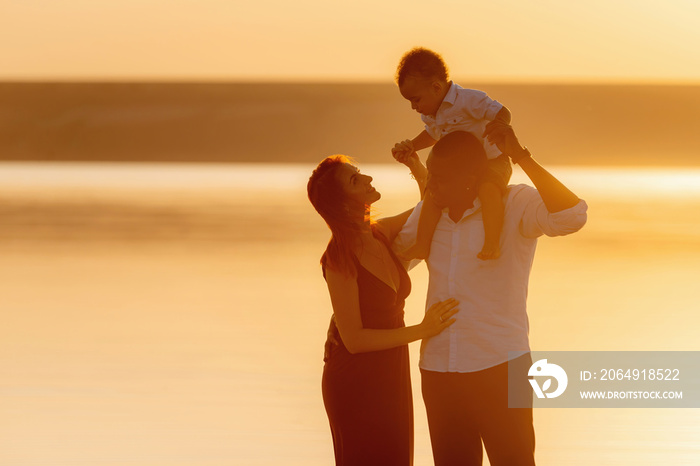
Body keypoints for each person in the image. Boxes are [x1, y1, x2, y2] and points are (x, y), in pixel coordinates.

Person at [393, 126, 588, 466]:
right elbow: (388, 263)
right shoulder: (429, 211)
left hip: (500, 365)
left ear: (471, 177)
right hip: (438, 370)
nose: (430, 186)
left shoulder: (515, 204)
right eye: (430, 177)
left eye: (439, 179)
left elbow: (572, 217)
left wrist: (521, 156)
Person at [307, 154, 460, 466]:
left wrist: (416, 166)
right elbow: (354, 340)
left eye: (360, 173)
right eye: (355, 180)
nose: (367, 179)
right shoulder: (339, 258)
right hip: (355, 380)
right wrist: (424, 330)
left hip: (390, 370)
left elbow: (430, 208)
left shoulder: (379, 233)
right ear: (342, 202)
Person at [392, 47, 512, 261]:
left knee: (489, 189)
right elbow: (432, 134)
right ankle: (421, 245)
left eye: (416, 99)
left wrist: (500, 126)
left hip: (492, 161)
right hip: (459, 170)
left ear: (437, 87)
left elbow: (502, 112)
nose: (413, 107)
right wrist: (412, 145)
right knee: (432, 195)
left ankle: (492, 242)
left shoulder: (469, 100)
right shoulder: (431, 114)